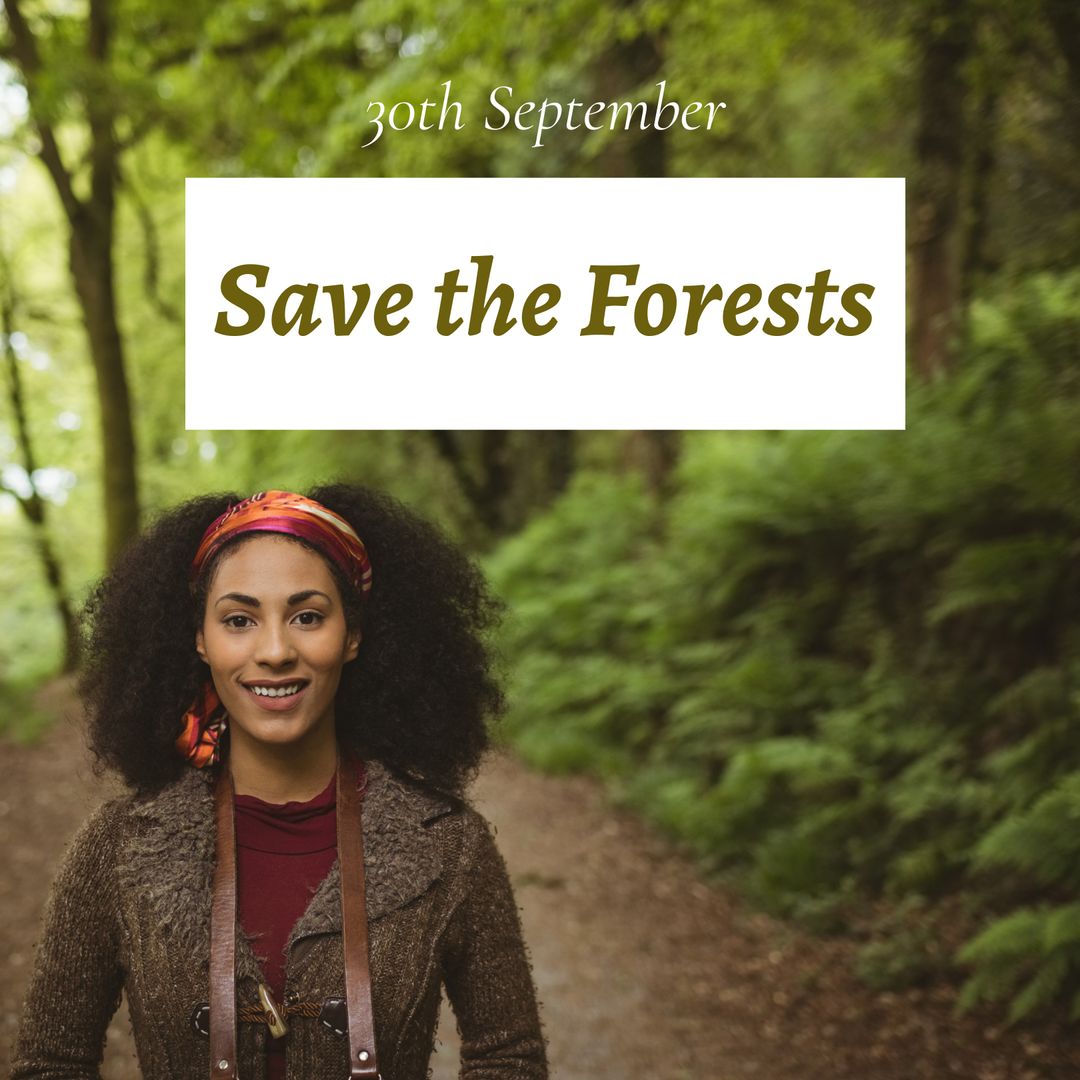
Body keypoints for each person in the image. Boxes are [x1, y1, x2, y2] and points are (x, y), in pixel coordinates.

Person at [12, 485, 548, 1080]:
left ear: (352, 636)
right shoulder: (116, 845)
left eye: (308, 616)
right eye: (239, 619)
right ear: (200, 639)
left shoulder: (450, 845)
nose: (274, 650)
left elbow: (509, 1059)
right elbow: (51, 1062)